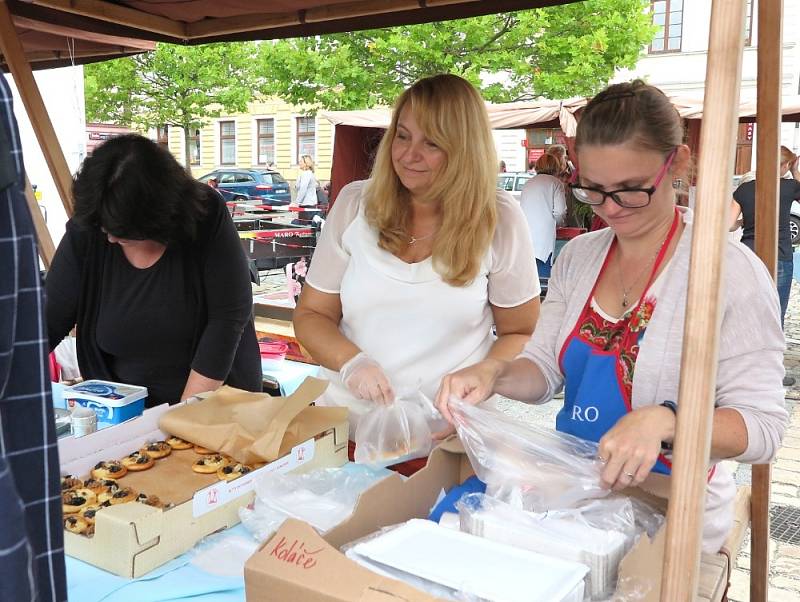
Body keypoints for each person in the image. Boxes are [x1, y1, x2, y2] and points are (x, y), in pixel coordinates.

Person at [437, 80, 788, 553]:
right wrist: (493, 372)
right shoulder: (580, 257)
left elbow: (764, 427)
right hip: (578, 502)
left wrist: (666, 422)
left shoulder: (728, 271)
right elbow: (542, 370)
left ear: (678, 163)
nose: (611, 209)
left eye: (630, 190)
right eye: (594, 191)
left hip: (673, 517)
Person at [293, 73, 540, 474]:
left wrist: (487, 372)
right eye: (403, 136)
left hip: (446, 442)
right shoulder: (355, 204)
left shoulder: (499, 219)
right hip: (344, 435)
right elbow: (311, 315)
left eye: (432, 143)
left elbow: (522, 332)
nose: (409, 155)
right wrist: (352, 362)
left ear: (464, 150)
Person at [46, 134, 261, 407]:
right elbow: (47, 321)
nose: (110, 238)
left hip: (212, 406)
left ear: (158, 216)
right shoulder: (89, 227)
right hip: (124, 411)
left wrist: (184, 418)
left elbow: (228, 319)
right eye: (105, 228)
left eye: (123, 231)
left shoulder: (205, 215)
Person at [0, 73, 66, 602]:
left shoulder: (205, 230)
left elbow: (226, 321)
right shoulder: (90, 234)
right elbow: (48, 312)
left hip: (185, 398)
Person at [730, 146, 800, 329]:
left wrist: (741, 222)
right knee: (775, 313)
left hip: (748, 256)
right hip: (779, 256)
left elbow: (728, 225)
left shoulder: (744, 189)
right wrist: (796, 171)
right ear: (785, 165)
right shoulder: (789, 187)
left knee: (745, 310)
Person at [519, 153, 567, 279]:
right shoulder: (556, 183)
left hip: (525, 235)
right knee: (544, 277)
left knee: (529, 277)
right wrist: (561, 223)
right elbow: (560, 212)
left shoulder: (528, 183)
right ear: (556, 167)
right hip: (544, 237)